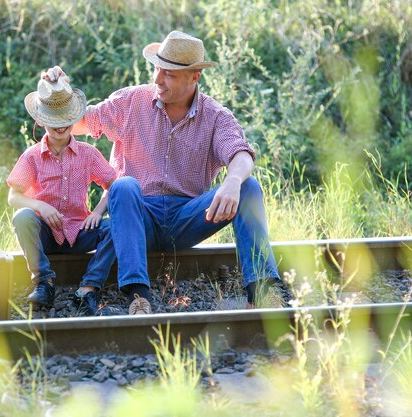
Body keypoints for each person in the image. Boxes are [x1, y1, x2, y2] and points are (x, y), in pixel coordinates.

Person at [43, 31, 281, 314]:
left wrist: (232, 180)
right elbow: (78, 122)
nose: (157, 80)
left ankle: (261, 294)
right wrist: (57, 94)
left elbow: (241, 153)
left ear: (194, 77)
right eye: (157, 70)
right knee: (123, 186)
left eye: (168, 74)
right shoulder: (131, 102)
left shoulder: (215, 116)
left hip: (187, 218)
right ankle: (137, 296)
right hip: (138, 217)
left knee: (248, 186)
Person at [7, 75, 117, 316]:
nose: (59, 125)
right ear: (40, 120)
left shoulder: (88, 154)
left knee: (114, 228)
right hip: (46, 232)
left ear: (74, 117)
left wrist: (97, 212)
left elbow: (114, 184)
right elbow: (13, 197)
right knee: (23, 216)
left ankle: (88, 288)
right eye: (52, 119)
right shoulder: (32, 156)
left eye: (64, 118)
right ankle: (44, 282)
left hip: (79, 231)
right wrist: (40, 207)